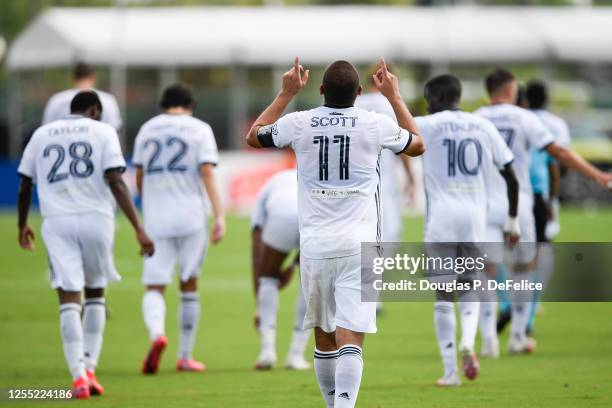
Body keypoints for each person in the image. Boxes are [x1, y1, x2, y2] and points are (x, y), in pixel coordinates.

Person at [245, 57, 425, 408]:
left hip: (315, 245)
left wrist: (285, 94)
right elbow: (417, 144)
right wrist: (394, 96)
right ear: (359, 92)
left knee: (325, 339)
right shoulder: (375, 123)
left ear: (321, 89)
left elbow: (254, 136)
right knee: (351, 338)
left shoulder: (299, 122)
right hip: (360, 245)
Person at [17, 91, 154, 399]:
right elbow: (116, 181)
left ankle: (78, 377)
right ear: (94, 109)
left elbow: (25, 183)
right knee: (95, 292)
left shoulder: (41, 134)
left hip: (57, 221)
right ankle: (91, 367)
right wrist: (139, 228)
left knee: (68, 297)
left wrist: (22, 224)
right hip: (97, 219)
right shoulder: (103, 131)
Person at [475, 69, 612, 355]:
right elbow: (559, 153)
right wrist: (597, 175)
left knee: (486, 272)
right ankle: (517, 337)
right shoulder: (525, 118)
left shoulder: (476, 118)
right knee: (523, 269)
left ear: (489, 91)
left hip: (485, 205)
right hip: (519, 204)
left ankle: (488, 340)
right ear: (511, 90)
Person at [416, 74, 518, 386]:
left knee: (444, 296)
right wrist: (512, 220)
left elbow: (397, 129)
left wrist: (393, 93)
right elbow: (511, 176)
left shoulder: (428, 125)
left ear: (434, 98)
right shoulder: (483, 126)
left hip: (442, 220)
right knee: (471, 285)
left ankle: (449, 372)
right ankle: (469, 341)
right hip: (475, 219)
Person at [132, 84, 225, 374]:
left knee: (155, 285)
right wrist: (219, 215)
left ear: (163, 104)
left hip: (156, 217)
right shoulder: (200, 129)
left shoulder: (147, 129)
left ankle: (157, 334)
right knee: (189, 282)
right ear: (191, 103)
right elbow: (206, 172)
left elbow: (138, 176)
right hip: (191, 216)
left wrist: (149, 204)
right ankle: (185, 356)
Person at [251, 168, 311, 370]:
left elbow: (256, 252)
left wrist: (257, 305)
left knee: (268, 279)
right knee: (309, 284)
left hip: (281, 216)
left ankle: (266, 351)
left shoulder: (270, 185)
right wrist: (294, 265)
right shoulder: (309, 174)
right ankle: (296, 355)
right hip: (312, 214)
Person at [355, 68, 416, 243]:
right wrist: (410, 178)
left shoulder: (354, 102)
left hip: (354, 183)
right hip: (384, 182)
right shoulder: (391, 105)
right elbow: (404, 145)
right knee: (387, 240)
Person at [43, 62, 123, 132]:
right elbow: (115, 128)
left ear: (73, 78)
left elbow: (46, 128)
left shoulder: (56, 99)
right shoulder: (108, 100)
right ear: (94, 77)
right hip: (98, 147)